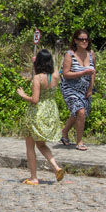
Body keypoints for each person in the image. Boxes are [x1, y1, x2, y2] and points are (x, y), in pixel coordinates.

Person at [18, 49, 65, 184]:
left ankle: (33, 177)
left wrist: (23, 95)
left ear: (38, 63)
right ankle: (56, 167)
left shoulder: (37, 79)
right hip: (50, 112)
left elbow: (35, 99)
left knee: (30, 147)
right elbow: (51, 68)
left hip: (36, 113)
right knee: (41, 144)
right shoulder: (56, 75)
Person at [59, 29, 96, 150]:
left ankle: (64, 132)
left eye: (86, 39)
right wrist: (83, 72)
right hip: (70, 88)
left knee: (76, 113)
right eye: (81, 39)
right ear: (75, 41)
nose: (84, 41)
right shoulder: (69, 54)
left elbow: (93, 72)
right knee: (80, 111)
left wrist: (91, 87)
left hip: (84, 88)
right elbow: (65, 74)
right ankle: (79, 141)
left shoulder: (91, 53)